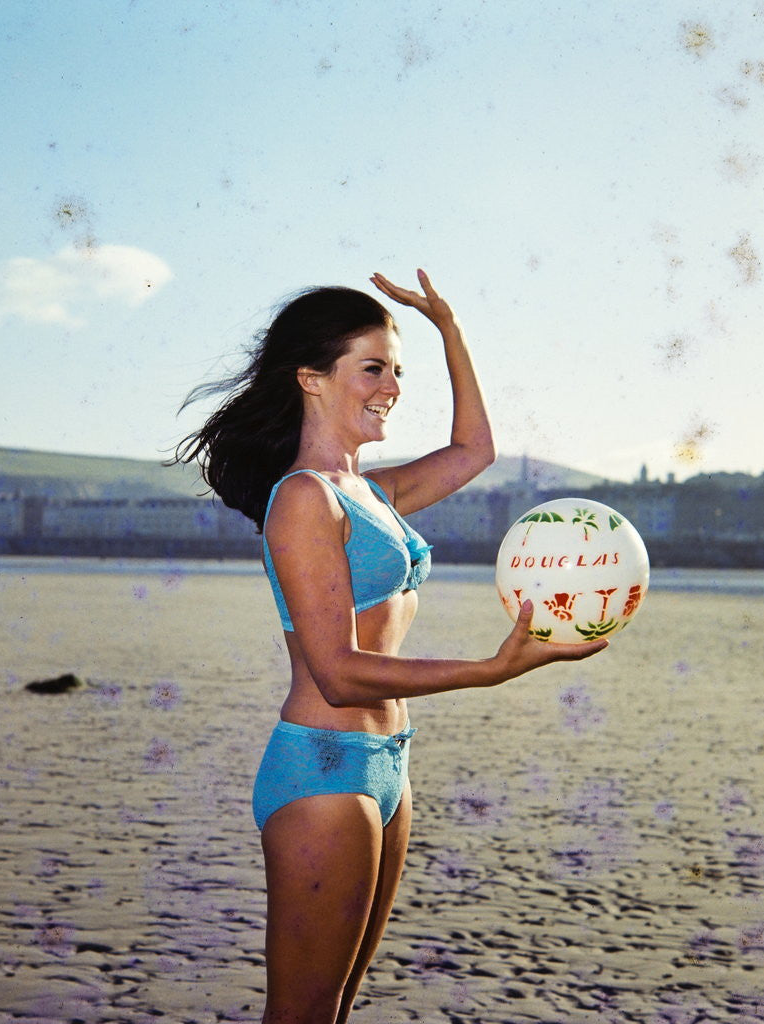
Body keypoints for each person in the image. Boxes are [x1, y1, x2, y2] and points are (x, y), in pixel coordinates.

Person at [173, 269, 607, 1024]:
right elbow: (337, 673)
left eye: (397, 370)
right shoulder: (304, 498)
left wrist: (450, 331)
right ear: (310, 378)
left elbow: (474, 450)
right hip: (324, 767)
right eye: (371, 368)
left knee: (337, 1011)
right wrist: (490, 669)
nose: (391, 386)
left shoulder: (371, 492)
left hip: (388, 765)